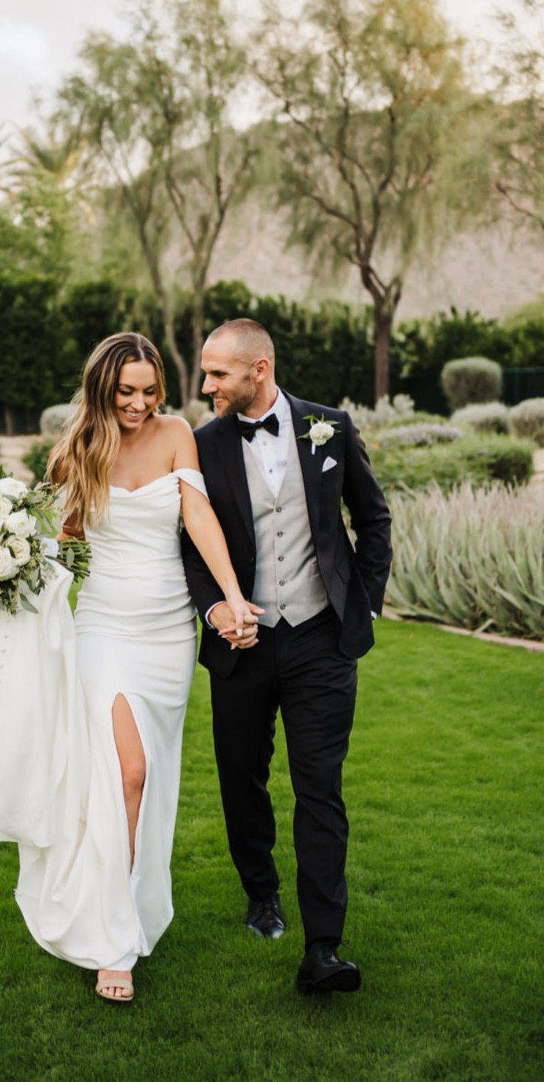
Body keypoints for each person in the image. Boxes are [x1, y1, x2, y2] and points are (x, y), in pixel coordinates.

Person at [0, 332, 259, 1005]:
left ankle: (124, 902)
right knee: (127, 772)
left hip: (168, 632)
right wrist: (3, 559)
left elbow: (198, 515)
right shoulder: (77, 450)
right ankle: (113, 942)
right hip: (104, 628)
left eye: (149, 390)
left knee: (148, 779)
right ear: (101, 390)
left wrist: (232, 596)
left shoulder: (177, 434)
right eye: (125, 392)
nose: (139, 403)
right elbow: (64, 543)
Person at [181, 318, 392, 996]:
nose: (207, 385)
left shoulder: (330, 427)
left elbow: (373, 518)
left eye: (218, 373)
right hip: (241, 643)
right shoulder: (201, 444)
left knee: (319, 786)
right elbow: (187, 544)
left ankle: (324, 945)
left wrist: (363, 605)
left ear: (260, 369)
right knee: (241, 776)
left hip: (321, 638)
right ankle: (261, 893)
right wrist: (214, 609)